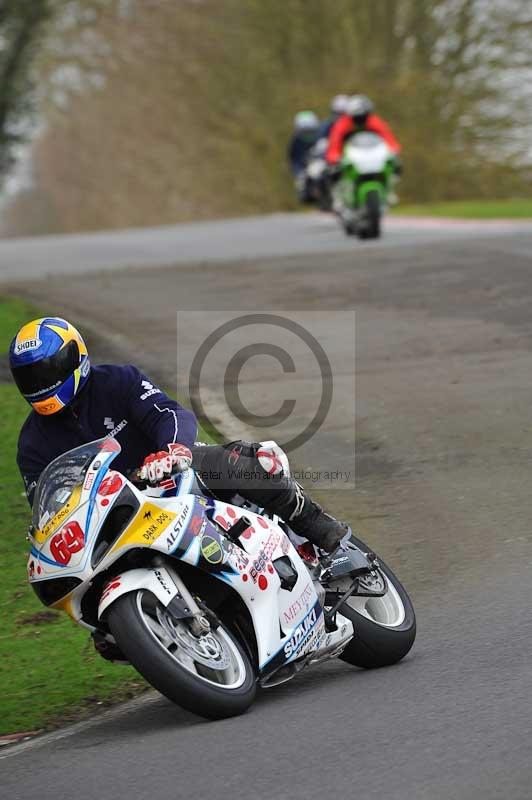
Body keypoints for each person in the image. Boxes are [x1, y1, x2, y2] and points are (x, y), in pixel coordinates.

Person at [10, 317, 347, 553]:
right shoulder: (31, 444)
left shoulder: (117, 380)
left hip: (173, 471)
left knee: (237, 465)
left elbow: (168, 413)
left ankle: (322, 530)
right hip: (117, 518)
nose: (40, 384)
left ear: (75, 356)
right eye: (30, 378)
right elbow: (49, 506)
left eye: (47, 371)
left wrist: (173, 451)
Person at [326, 94, 401, 168]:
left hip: (372, 156)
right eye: (357, 118)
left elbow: (387, 136)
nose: (361, 121)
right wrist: (334, 157)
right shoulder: (343, 124)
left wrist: (393, 150)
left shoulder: (373, 121)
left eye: (363, 117)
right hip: (350, 159)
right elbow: (335, 141)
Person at [287, 110, 320, 179]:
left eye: (311, 131)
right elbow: (294, 161)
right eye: (305, 132)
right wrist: (300, 174)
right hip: (306, 173)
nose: (308, 135)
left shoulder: (321, 139)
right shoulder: (296, 143)